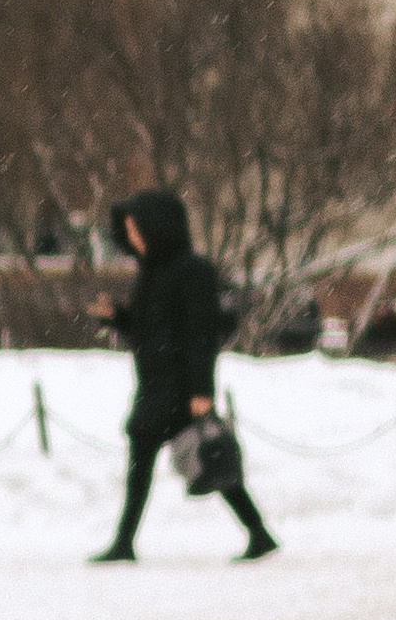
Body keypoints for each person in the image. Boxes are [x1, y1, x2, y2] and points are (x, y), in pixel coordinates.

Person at [91, 185, 278, 563]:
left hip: (178, 387)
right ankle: (258, 533)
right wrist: (118, 317)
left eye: (136, 230)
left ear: (156, 229)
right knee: (197, 461)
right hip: (155, 384)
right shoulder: (151, 274)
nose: (131, 238)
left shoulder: (193, 272)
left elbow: (200, 336)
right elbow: (147, 333)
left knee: (201, 459)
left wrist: (201, 392)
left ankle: (126, 542)